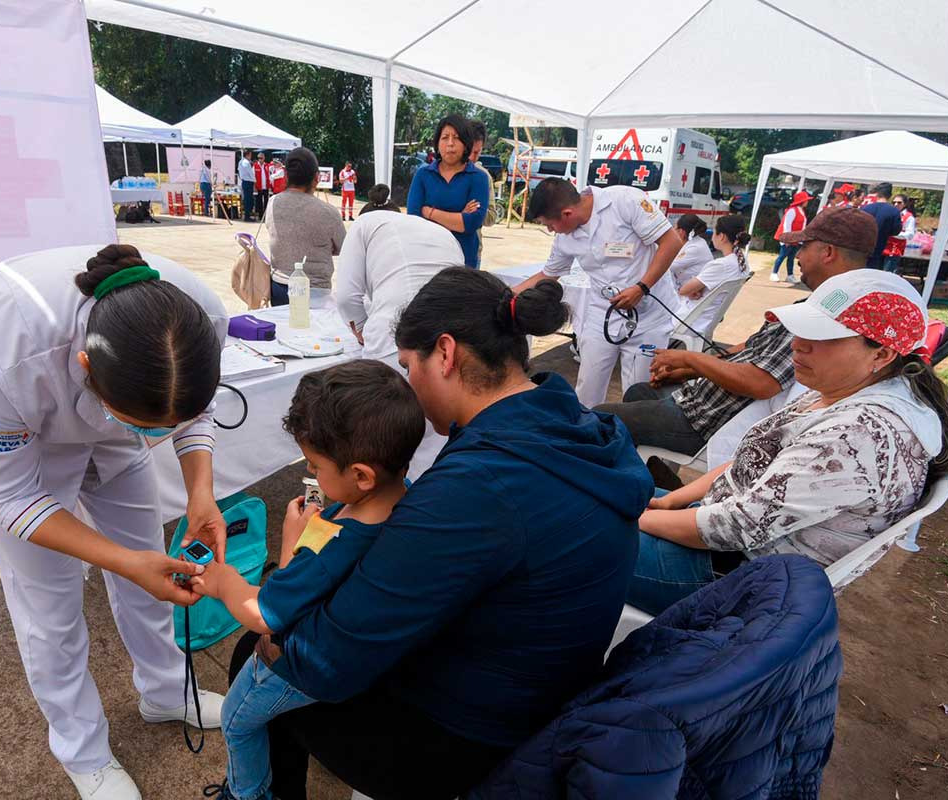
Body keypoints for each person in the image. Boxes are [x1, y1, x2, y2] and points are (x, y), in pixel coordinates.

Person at [226, 268, 650, 800]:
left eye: (408, 365)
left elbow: (325, 660)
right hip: (548, 690)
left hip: (475, 738)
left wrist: (288, 578)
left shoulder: (479, 485)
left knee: (257, 657)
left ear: (445, 353)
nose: (410, 386)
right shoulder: (572, 423)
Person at [0, 243, 230, 800]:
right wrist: (123, 562)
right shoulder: (4, 346)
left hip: (119, 413)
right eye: (148, 425)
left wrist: (200, 493)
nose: (158, 436)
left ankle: (166, 690)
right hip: (21, 437)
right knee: (49, 604)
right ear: (86, 368)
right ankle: (83, 750)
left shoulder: (199, 315)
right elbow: (14, 497)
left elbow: (195, 408)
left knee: (151, 559)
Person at [627, 269, 948, 615]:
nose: (798, 344)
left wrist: (634, 518)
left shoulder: (857, 434)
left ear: (881, 355)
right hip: (720, 534)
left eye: (824, 337)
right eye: (802, 330)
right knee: (602, 492)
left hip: (730, 580)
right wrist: (670, 502)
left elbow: (735, 528)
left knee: (590, 525)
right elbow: (751, 464)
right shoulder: (842, 392)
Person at [194, 359, 426, 800]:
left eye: (316, 466)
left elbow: (266, 614)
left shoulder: (328, 548)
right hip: (359, 664)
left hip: (298, 668)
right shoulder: (407, 498)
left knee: (237, 722)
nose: (311, 473)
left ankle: (246, 793)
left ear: (361, 475)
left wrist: (226, 579)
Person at [594, 208, 876, 458]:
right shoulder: (817, 301)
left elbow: (762, 382)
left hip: (709, 418)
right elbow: (751, 347)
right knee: (639, 391)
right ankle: (652, 479)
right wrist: (687, 371)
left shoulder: (826, 314)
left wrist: (691, 359)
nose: (798, 256)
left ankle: (626, 487)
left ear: (828, 253)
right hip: (706, 399)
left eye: (803, 247)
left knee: (598, 418)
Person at [515, 176, 684, 407]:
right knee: (588, 385)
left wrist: (641, 288)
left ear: (567, 214)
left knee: (639, 392)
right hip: (602, 313)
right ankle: (587, 427)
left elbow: (671, 242)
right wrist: (508, 292)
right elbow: (548, 275)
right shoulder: (565, 239)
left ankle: (631, 429)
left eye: (550, 225)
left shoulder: (624, 201)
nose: (551, 230)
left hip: (648, 316)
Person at [334, 184, 464, 357]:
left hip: (394, 341)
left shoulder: (363, 223)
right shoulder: (441, 232)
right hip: (453, 341)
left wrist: (362, 330)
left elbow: (346, 297)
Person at [265, 147, 346, 306]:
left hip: (279, 288)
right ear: (316, 178)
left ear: (286, 175)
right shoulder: (328, 212)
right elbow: (343, 247)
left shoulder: (273, 202)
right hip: (315, 293)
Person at [407, 114, 490, 268]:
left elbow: (471, 223)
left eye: (456, 138)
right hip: (426, 259)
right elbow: (414, 221)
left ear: (466, 143)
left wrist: (430, 212)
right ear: (437, 143)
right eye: (445, 137)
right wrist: (458, 216)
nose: (450, 143)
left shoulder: (478, 177)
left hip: (463, 263)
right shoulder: (423, 174)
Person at [674, 214, 752, 327]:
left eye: (715, 232)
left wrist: (693, 290)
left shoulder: (721, 265)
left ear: (722, 237)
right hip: (705, 319)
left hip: (691, 320)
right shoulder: (742, 262)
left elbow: (683, 291)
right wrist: (696, 289)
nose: (712, 237)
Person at [468, 119, 498, 259]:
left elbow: (491, 217)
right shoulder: (440, 173)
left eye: (476, 152)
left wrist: (475, 210)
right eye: (468, 151)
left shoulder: (483, 177)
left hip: (472, 253)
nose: (471, 157)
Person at [859, 182, 903, 268]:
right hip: (879, 248)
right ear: (890, 195)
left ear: (877, 194)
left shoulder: (865, 208)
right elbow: (896, 231)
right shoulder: (894, 211)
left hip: (861, 248)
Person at [771, 190, 810, 282]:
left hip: (795, 239)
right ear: (802, 201)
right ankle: (774, 273)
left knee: (791, 257)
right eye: (806, 200)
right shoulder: (792, 211)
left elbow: (802, 226)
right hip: (788, 238)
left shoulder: (801, 211)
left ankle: (790, 275)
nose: (807, 202)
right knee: (782, 256)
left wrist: (801, 239)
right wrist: (787, 239)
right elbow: (787, 225)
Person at [669, 213, 714, 287]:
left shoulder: (695, 247)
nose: (673, 230)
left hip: (692, 291)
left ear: (681, 232)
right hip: (687, 286)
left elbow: (669, 267)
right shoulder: (696, 242)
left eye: (674, 227)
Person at [882, 194, 917, 272]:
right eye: (894, 202)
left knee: (887, 273)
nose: (896, 204)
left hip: (894, 249)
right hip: (883, 247)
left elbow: (910, 235)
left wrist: (894, 233)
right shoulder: (889, 214)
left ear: (905, 204)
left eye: (899, 202)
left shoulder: (909, 217)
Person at [253, 152, 271, 219]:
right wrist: (254, 187)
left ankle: (266, 216)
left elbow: (270, 175)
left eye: (261, 158)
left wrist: (270, 186)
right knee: (259, 202)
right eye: (259, 158)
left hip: (266, 187)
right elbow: (253, 177)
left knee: (266, 201)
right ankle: (260, 216)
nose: (260, 159)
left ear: (264, 158)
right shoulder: (255, 166)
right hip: (258, 187)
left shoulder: (267, 165)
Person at [238, 150, 255, 221]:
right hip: (248, 182)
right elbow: (250, 173)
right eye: (250, 155)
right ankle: (247, 216)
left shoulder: (240, 162)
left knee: (247, 199)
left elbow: (239, 171)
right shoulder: (246, 162)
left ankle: (247, 215)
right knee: (249, 200)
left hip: (244, 181)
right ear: (247, 155)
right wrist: (255, 180)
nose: (251, 157)